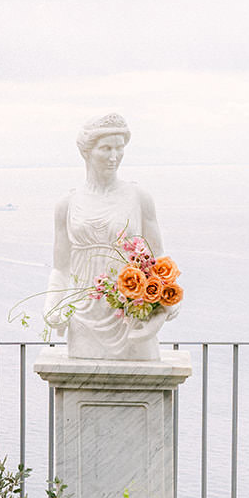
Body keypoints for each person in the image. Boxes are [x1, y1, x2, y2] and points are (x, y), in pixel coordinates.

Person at [44, 113, 177, 360]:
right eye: (106, 148)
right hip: (85, 314)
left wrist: (169, 296)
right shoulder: (67, 204)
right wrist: (52, 305)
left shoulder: (139, 197)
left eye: (119, 148)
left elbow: (158, 258)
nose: (114, 156)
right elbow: (61, 268)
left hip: (133, 315)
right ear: (87, 151)